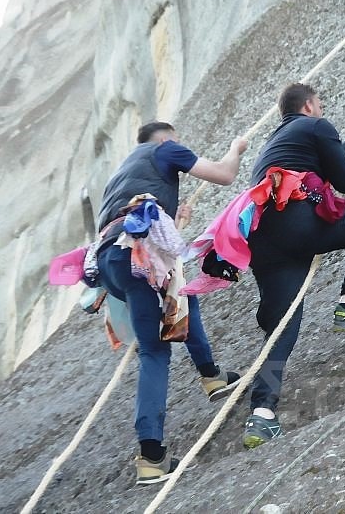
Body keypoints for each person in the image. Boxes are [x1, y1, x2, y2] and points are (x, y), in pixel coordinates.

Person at [242, 83, 345, 449]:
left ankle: (262, 415)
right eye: (321, 105)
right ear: (310, 106)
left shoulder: (276, 145)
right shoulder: (315, 126)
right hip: (295, 222)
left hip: (263, 239)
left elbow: (322, 170)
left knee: (282, 328)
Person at [95, 121, 248, 483]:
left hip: (108, 259)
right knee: (155, 352)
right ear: (167, 140)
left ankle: (211, 376)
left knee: (181, 294)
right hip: (138, 255)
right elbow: (224, 175)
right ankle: (151, 456)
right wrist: (236, 148)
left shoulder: (121, 173)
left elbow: (128, 219)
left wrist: (174, 220)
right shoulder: (165, 149)